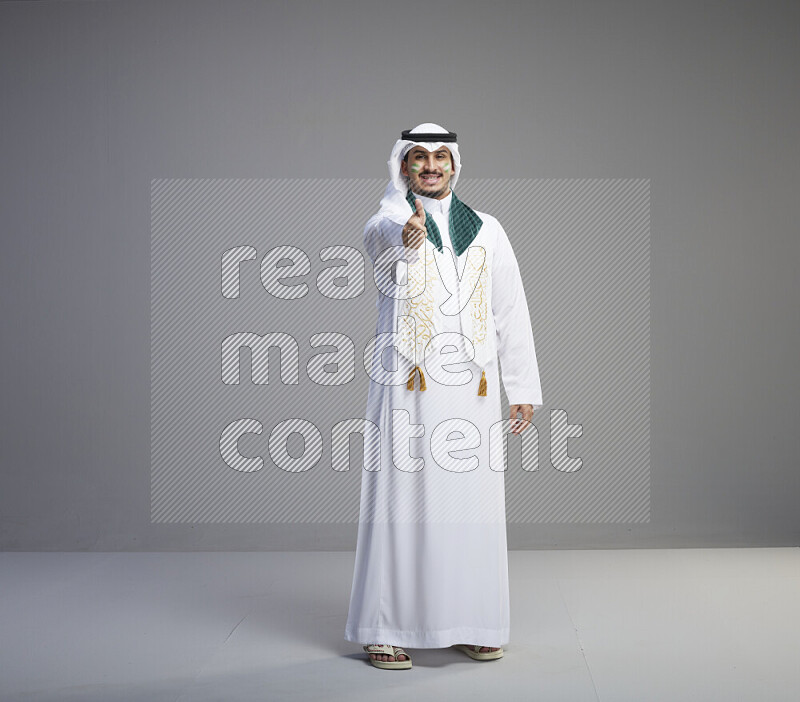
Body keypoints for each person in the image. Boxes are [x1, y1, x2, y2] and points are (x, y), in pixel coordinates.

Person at [345, 123, 543, 670]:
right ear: (402, 167)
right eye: (418, 158)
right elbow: (384, 248)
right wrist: (406, 237)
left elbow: (510, 307)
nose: (430, 166)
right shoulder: (385, 221)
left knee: (471, 506)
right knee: (400, 503)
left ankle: (470, 621)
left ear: (455, 165)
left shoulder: (487, 229)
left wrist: (520, 385)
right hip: (410, 382)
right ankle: (383, 628)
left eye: (440, 157)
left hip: (471, 388)